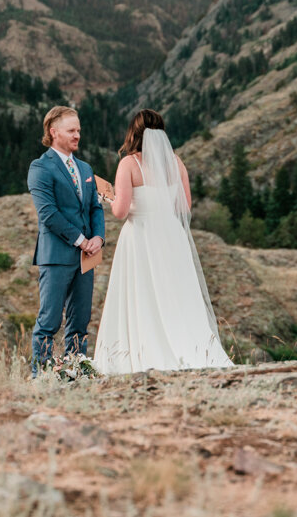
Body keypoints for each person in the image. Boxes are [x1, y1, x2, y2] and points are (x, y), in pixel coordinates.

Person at [93, 109, 234, 374]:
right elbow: (185, 206)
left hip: (141, 236)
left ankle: (142, 352)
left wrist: (108, 197)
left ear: (134, 133)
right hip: (172, 236)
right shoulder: (176, 163)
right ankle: (190, 349)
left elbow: (121, 212)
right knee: (176, 294)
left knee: (142, 293)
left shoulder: (128, 165)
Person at [27, 105, 106, 375]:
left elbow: (95, 207)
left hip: (86, 257)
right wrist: (81, 240)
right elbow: (48, 213)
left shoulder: (85, 168)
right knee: (49, 320)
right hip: (57, 256)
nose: (77, 136)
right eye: (71, 130)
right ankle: (42, 376)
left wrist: (98, 237)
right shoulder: (40, 167)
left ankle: (75, 372)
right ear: (54, 132)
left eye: (79, 130)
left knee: (80, 321)